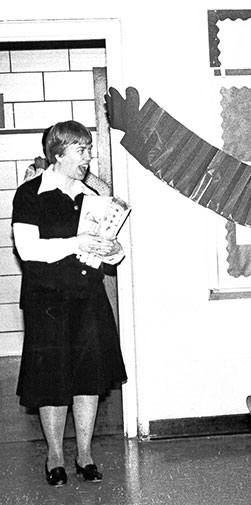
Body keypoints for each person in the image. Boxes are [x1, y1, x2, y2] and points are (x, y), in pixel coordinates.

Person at [11, 120, 128, 487]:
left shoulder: (95, 196)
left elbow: (112, 249)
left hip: (88, 298)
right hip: (47, 300)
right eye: (82, 150)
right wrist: (76, 243)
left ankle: (85, 455)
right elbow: (28, 250)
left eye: (90, 149)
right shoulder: (29, 194)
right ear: (58, 154)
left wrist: (116, 251)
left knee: (88, 381)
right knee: (52, 381)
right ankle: (56, 456)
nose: (89, 156)